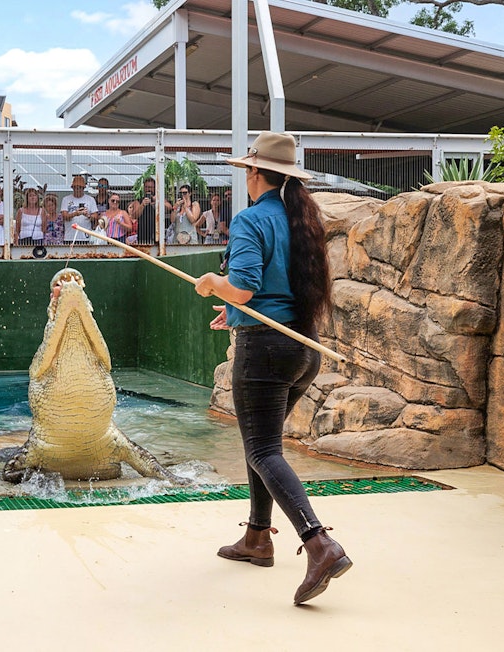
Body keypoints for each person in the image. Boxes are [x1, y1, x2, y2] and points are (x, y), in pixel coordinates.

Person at [193, 131, 351, 607]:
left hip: (265, 351)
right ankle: (258, 537)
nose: (245, 176)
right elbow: (269, 294)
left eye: (246, 170)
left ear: (255, 173)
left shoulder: (250, 220)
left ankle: (320, 544)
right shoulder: (299, 219)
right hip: (303, 349)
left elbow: (241, 286)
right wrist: (235, 312)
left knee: (262, 448)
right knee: (260, 441)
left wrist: (210, 284)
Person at [128, 177, 170, 245]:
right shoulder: (138, 201)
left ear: (155, 188)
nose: (149, 189)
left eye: (151, 187)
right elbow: (134, 216)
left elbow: (169, 208)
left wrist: (157, 201)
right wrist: (143, 205)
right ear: (144, 188)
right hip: (143, 235)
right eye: (147, 187)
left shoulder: (159, 199)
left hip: (157, 234)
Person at [60, 175, 98, 243]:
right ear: (73, 188)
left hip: (85, 237)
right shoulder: (66, 199)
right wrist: (75, 214)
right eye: (76, 187)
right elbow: (64, 216)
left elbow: (95, 217)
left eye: (80, 187)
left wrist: (88, 215)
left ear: (83, 188)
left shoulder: (90, 199)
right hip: (69, 237)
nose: (78, 189)